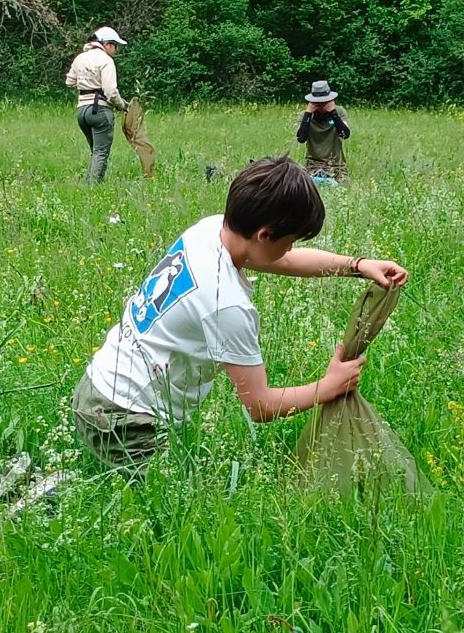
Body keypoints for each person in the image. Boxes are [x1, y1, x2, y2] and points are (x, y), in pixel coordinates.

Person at [72, 156, 409, 475]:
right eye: (290, 240)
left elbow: (283, 260)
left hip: (97, 388)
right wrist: (328, 387)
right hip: (125, 423)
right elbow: (259, 406)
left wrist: (358, 266)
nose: (290, 249)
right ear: (264, 235)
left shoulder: (211, 230)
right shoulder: (226, 304)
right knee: (187, 524)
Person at [65, 26, 130, 183]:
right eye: (115, 46)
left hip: (82, 111)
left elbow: (69, 82)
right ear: (106, 44)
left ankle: (90, 180)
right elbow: (111, 92)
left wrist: (87, 83)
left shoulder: (80, 58)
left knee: (95, 150)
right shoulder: (106, 61)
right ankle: (93, 186)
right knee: (101, 151)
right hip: (100, 111)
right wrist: (123, 106)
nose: (116, 50)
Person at [296, 80, 351, 182]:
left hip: (336, 165)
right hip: (312, 165)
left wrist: (333, 113)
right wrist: (308, 113)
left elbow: (345, 134)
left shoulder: (339, 112)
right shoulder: (305, 115)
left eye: (324, 102)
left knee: (342, 187)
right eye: (318, 103)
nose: (321, 106)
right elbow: (301, 138)